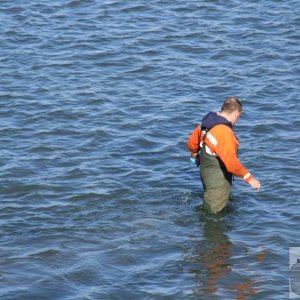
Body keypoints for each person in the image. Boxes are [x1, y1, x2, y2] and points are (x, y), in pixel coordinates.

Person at [187, 97, 261, 213]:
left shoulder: (208, 122)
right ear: (237, 114)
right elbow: (231, 162)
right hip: (217, 177)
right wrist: (250, 179)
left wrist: (194, 154)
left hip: (205, 171)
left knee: (210, 201)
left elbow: (192, 142)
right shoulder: (224, 132)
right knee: (213, 213)